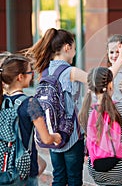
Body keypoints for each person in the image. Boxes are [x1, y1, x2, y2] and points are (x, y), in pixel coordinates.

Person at [27, 28, 87, 186]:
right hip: (71, 136)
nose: (74, 53)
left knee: (59, 177)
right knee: (74, 180)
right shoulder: (70, 71)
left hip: (53, 134)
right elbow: (99, 80)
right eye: (74, 48)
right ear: (67, 47)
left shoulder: (45, 71)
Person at [78, 67, 122, 185]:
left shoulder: (86, 110)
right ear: (111, 85)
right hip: (120, 169)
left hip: (96, 170)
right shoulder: (121, 107)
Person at [0, 54, 62, 185]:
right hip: (24, 171)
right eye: (30, 72)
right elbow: (46, 139)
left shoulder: (2, 101)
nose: (32, 75)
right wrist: (56, 137)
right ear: (20, 77)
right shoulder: (30, 103)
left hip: (4, 168)